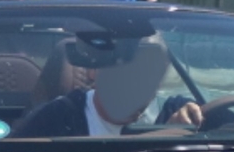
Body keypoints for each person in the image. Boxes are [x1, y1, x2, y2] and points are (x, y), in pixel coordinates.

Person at [13, 36, 201, 136]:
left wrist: (193, 121)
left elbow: (227, 136)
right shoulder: (58, 118)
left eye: (148, 78)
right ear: (94, 71)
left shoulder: (176, 114)